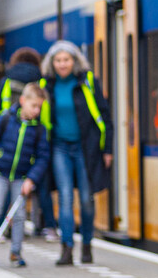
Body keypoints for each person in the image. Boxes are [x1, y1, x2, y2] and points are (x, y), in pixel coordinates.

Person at [39, 40, 112, 266]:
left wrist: (107, 149)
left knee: (87, 199)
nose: (62, 64)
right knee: (65, 197)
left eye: (67, 60)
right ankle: (67, 248)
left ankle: (87, 244)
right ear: (52, 63)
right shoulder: (46, 85)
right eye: (58, 60)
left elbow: (105, 115)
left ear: (75, 61)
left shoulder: (87, 82)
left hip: (85, 148)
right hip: (59, 147)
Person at [0, 82, 50, 268]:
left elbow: (42, 157)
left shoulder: (39, 129)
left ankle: (16, 253)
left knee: (19, 215)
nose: (37, 111)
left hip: (21, 177)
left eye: (39, 107)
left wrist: (31, 178)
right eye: (34, 106)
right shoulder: (5, 120)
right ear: (23, 101)